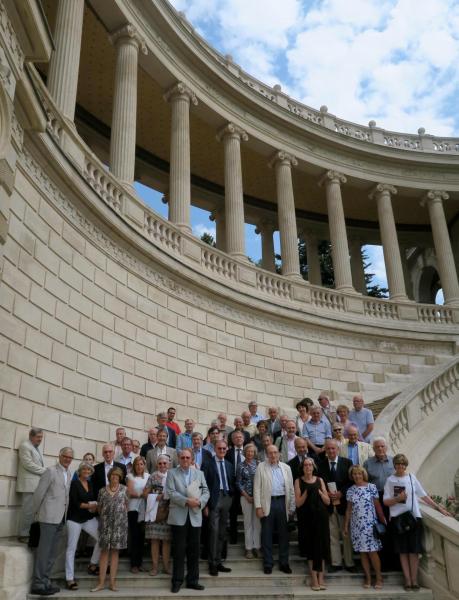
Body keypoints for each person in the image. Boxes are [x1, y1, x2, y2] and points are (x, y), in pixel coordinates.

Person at [383, 453, 452, 591]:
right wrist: (397, 499)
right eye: (398, 464)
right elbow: (385, 501)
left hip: (414, 518)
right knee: (403, 551)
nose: (400, 466)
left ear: (406, 465)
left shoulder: (411, 477)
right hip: (398, 520)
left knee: (414, 551)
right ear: (394, 465)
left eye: (403, 464)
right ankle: (407, 581)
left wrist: (439, 508)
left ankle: (414, 581)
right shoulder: (390, 480)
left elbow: (423, 495)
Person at [30, 447, 73, 596]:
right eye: (65, 456)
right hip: (48, 518)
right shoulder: (50, 471)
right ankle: (38, 583)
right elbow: (38, 494)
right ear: (59, 456)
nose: (68, 459)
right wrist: (36, 514)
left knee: (52, 553)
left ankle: (46, 580)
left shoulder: (68, 473)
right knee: (44, 552)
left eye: (70, 457)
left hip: (61, 519)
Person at [167, 448, 210, 593]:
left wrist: (199, 503)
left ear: (192, 459)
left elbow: (206, 492)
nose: (185, 460)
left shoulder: (200, 473)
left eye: (187, 458)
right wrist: (186, 501)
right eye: (182, 457)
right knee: (179, 551)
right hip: (179, 516)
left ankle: (193, 581)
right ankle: (177, 581)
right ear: (179, 459)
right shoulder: (172, 473)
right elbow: (171, 492)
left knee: (194, 551)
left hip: (195, 517)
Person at [253, 444, 295, 575]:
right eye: (270, 453)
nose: (273, 455)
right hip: (267, 503)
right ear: (266, 454)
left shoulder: (286, 468)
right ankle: (268, 563)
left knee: (284, 535)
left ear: (279, 454)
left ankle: (284, 563)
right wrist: (258, 506)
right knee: (266, 535)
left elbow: (291, 489)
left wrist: (292, 507)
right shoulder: (261, 467)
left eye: (275, 452)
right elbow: (257, 488)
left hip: (283, 502)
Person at [344, 465, 385, 589]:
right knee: (363, 553)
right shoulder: (350, 490)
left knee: (373, 552)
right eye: (355, 474)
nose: (357, 476)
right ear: (352, 476)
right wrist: (345, 526)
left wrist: (383, 519)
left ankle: (378, 577)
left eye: (359, 474)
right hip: (357, 526)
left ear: (363, 474)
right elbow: (348, 510)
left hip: (370, 525)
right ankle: (367, 577)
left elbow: (378, 506)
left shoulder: (371, 487)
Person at [317, 439, 354, 572]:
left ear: (338, 449)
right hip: (328, 505)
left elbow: (352, 482)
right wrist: (326, 493)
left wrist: (341, 493)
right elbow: (318, 483)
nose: (331, 451)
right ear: (325, 451)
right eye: (328, 449)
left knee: (346, 534)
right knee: (332, 535)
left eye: (333, 448)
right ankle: (336, 563)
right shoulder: (320, 465)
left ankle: (349, 563)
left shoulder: (347, 463)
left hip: (344, 504)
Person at [294, 457, 330, 590]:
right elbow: (298, 503)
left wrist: (320, 492)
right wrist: (306, 493)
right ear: (302, 468)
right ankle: (314, 578)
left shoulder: (320, 480)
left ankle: (321, 578)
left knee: (321, 548)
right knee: (311, 549)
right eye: (305, 465)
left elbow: (328, 502)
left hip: (321, 518)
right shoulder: (298, 481)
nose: (308, 467)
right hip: (306, 519)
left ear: (313, 467)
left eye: (310, 465)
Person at [91, 466, 128, 592]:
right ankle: (101, 583)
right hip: (105, 526)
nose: (115, 478)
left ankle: (112, 583)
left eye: (117, 476)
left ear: (120, 477)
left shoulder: (124, 489)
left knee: (115, 553)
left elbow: (126, 506)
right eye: (112, 475)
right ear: (109, 477)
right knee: (104, 553)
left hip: (119, 526)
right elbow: (99, 508)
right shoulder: (102, 491)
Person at [202, 439, 235, 576]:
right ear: (215, 449)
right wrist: (205, 505)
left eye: (224, 449)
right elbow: (203, 485)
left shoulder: (228, 464)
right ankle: (212, 563)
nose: (222, 451)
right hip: (214, 500)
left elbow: (232, 480)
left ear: (226, 449)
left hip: (226, 498)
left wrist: (231, 496)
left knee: (222, 532)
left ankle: (219, 560)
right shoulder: (208, 464)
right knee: (214, 532)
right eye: (219, 448)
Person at [65, 462, 100, 590]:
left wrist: (93, 505)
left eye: (89, 470)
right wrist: (91, 505)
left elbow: (92, 499)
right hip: (74, 519)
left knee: (102, 538)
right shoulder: (74, 484)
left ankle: (92, 564)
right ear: (80, 471)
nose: (86, 471)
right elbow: (75, 503)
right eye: (84, 469)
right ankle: (69, 578)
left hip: (87, 518)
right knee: (71, 548)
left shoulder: (90, 484)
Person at [364, 437, 395, 570]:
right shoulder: (368, 463)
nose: (380, 449)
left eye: (382, 446)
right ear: (373, 449)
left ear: (386, 447)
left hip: (392, 500)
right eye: (377, 447)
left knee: (392, 529)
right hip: (375, 500)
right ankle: (382, 563)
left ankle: (394, 562)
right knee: (378, 530)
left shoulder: (394, 461)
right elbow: (365, 482)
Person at [16, 427, 46, 543]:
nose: (40, 439)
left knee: (33, 511)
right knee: (27, 510)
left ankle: (29, 534)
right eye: (38, 437)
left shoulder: (36, 448)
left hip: (36, 485)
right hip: (28, 485)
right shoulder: (25, 446)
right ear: (31, 436)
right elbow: (27, 464)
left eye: (41, 437)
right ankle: (23, 534)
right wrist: (45, 471)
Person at [145, 455, 172, 576]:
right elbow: (145, 493)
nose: (162, 465)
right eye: (160, 463)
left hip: (168, 512)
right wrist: (155, 496)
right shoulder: (152, 476)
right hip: (154, 512)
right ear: (157, 465)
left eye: (164, 463)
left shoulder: (172, 475)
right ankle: (155, 567)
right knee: (154, 540)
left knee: (166, 541)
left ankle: (166, 567)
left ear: (169, 464)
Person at [236, 443, 260, 558]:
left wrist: (256, 496)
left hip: (258, 498)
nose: (250, 453)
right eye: (248, 451)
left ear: (255, 453)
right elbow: (238, 483)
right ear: (244, 452)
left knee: (257, 523)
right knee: (248, 523)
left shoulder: (259, 464)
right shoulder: (240, 465)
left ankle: (257, 547)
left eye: (252, 451)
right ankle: (249, 548)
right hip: (245, 498)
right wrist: (247, 496)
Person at [126, 455, 149, 573]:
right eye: (137, 464)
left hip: (144, 509)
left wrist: (142, 493)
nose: (139, 466)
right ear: (134, 466)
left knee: (141, 537)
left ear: (144, 465)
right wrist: (142, 494)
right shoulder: (130, 476)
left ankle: (140, 563)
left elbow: (149, 491)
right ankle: (133, 564)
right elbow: (130, 492)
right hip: (133, 509)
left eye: (141, 464)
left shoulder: (148, 477)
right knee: (134, 536)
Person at [225, 431, 245, 544]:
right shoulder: (228, 453)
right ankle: (233, 538)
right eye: (236, 437)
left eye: (240, 437)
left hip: (246, 488)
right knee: (233, 514)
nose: (238, 439)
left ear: (243, 439)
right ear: (232, 440)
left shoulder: (248, 451)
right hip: (232, 487)